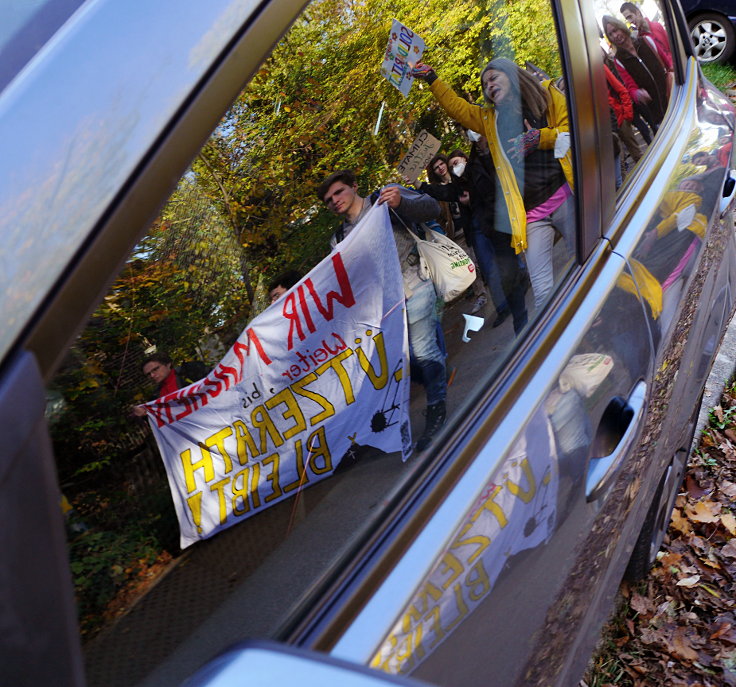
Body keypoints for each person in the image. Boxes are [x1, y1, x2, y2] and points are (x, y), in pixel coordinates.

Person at [412, 58, 575, 311]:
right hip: (531, 217)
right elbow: (458, 108)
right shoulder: (489, 120)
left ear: (511, 75)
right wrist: (432, 78)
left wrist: (539, 138)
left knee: (588, 259)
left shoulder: (547, 95)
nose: (489, 85)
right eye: (484, 84)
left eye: (493, 78)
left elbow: (571, 133)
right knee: (543, 295)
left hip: (565, 197)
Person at [317, 169, 447, 451]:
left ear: (354, 186)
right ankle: (440, 375)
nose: (334, 201)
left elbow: (432, 207)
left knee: (422, 351)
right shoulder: (338, 240)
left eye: (338, 192)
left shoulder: (385, 200)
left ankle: (438, 408)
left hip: (415, 284)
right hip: (385, 309)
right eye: (328, 200)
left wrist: (402, 202)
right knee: (412, 358)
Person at [603, 16, 668, 137]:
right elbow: (630, 87)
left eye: (615, 30)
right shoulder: (619, 61)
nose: (615, 35)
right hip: (658, 115)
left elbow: (668, 63)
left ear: (622, 27)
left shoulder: (646, 41)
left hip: (674, 99)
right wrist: (638, 94)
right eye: (610, 34)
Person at [131, 353, 208, 417]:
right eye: (148, 374)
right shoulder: (155, 397)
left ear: (168, 364)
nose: (152, 375)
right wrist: (145, 414)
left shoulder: (190, 370)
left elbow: (215, 381)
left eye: (155, 369)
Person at [620, 1, 674, 82]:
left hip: (678, 69)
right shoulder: (640, 41)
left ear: (638, 13)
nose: (629, 21)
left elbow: (672, 47)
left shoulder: (657, 26)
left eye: (630, 16)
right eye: (627, 19)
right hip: (668, 79)